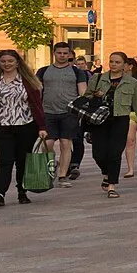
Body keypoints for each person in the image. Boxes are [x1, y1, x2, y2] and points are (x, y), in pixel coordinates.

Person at [0, 49, 46, 207]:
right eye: (3, 61)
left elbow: (36, 106)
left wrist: (42, 126)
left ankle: (22, 191)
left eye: (10, 61)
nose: (7, 64)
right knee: (4, 160)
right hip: (1, 126)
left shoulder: (28, 81)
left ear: (18, 63)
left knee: (22, 160)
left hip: (26, 126)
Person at [90, 51, 137, 199]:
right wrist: (95, 95)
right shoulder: (98, 79)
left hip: (120, 119)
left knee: (115, 153)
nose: (113, 65)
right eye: (111, 61)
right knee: (98, 153)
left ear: (125, 65)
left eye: (117, 62)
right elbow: (86, 98)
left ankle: (112, 185)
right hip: (100, 120)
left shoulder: (132, 83)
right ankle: (106, 173)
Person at [38, 41, 90, 182]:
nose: (62, 56)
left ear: (69, 55)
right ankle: (52, 163)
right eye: (59, 53)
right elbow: (36, 91)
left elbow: (83, 93)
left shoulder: (77, 72)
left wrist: (81, 110)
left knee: (65, 143)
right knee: (47, 144)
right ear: (54, 53)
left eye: (65, 53)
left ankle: (62, 175)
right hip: (48, 112)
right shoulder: (43, 71)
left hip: (69, 112)